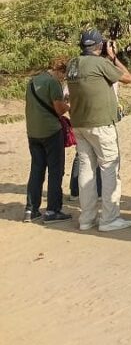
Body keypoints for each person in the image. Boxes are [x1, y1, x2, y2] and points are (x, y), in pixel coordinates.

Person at [66, 29, 131, 232]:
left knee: (87, 171)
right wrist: (114, 57)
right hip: (101, 123)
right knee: (109, 168)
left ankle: (86, 219)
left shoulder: (73, 64)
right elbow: (127, 78)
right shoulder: (101, 63)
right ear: (99, 46)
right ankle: (109, 218)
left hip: (79, 123)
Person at [24, 57, 72, 223]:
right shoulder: (53, 83)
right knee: (55, 170)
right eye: (63, 76)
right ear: (60, 71)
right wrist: (69, 107)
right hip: (51, 131)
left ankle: (31, 209)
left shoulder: (32, 81)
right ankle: (53, 210)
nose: (63, 80)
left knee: (36, 170)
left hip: (33, 131)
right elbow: (59, 109)